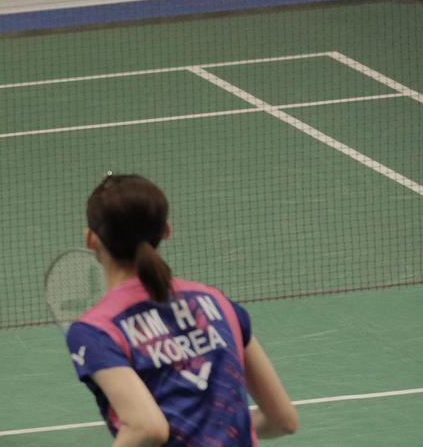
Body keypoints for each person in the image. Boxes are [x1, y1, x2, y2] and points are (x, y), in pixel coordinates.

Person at [66, 174, 298, 446]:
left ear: (90, 238)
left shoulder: (96, 330)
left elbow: (146, 427)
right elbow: (282, 419)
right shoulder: (218, 303)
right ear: (166, 231)